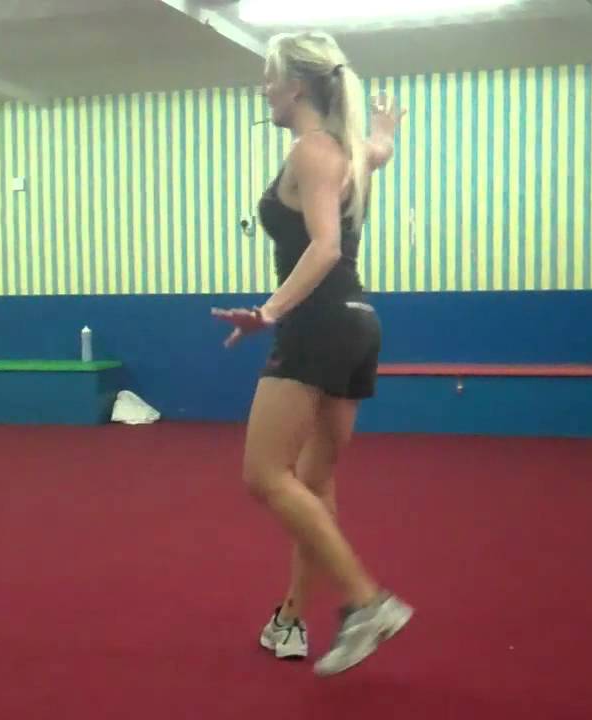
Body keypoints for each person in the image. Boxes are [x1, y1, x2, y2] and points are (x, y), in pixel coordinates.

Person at [212, 31, 409, 676]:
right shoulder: (350, 150)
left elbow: (324, 247)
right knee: (314, 484)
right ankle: (291, 621)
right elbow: (379, 154)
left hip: (317, 325)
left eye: (269, 78)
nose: (263, 90)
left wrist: (268, 312)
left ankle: (366, 603)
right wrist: (385, 134)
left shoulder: (311, 151)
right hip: (358, 324)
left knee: (265, 475)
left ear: (296, 85)